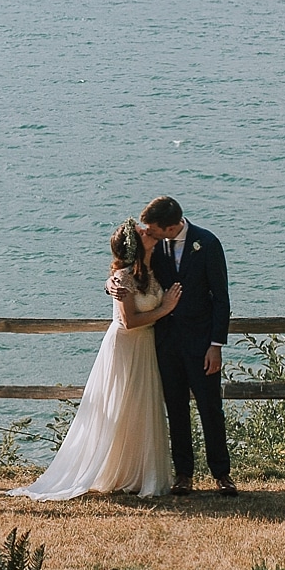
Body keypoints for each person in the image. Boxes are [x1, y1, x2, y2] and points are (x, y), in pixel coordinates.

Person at [7, 220, 179, 501]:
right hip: (125, 345)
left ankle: (133, 472)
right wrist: (164, 308)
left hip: (146, 347)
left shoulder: (152, 266)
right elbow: (128, 321)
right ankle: (107, 471)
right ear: (135, 244)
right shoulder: (123, 278)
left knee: (138, 409)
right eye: (142, 231)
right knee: (117, 407)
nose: (149, 231)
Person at [110, 196, 235, 496]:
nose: (147, 234)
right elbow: (130, 273)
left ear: (170, 226)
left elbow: (221, 297)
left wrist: (215, 345)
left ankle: (222, 474)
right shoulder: (155, 248)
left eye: (153, 230)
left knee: (210, 409)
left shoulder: (207, 243)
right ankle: (183, 475)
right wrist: (110, 285)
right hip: (164, 344)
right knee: (175, 410)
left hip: (201, 344)